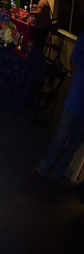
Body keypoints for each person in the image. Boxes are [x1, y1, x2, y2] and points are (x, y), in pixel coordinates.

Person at [36, 34, 84, 184]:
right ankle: (42, 170)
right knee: (60, 137)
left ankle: (55, 176)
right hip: (76, 99)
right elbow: (73, 62)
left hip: (77, 98)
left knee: (73, 145)